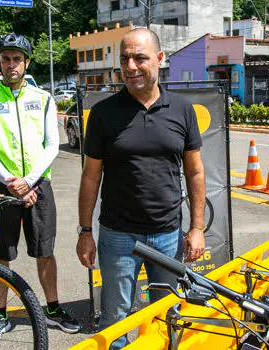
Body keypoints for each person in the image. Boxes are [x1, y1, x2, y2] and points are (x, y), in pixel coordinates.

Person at [76, 28, 206, 349]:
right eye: (125, 59)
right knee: (115, 323)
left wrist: (197, 227)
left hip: (167, 235)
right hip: (118, 237)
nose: (131, 66)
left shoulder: (182, 110)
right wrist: (84, 231)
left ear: (160, 59)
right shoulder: (104, 113)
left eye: (140, 58)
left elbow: (195, 171)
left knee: (166, 317)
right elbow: (91, 176)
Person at [0, 33, 80, 343]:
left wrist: (29, 181)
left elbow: (51, 146)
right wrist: (12, 183)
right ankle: (0, 315)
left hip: (38, 185)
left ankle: (53, 308)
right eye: (5, 59)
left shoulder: (44, 98)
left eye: (16, 59)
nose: (11, 64)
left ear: (26, 62)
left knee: (44, 251)